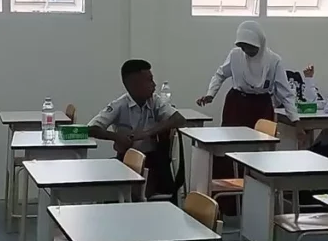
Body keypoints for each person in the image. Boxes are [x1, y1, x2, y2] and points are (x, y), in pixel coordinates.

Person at [197, 22, 299, 209]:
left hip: (261, 107)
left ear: (260, 43)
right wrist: (210, 94)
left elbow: (285, 93)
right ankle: (228, 205)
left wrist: (295, 120)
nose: (247, 51)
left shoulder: (274, 61)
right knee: (228, 153)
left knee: (259, 156)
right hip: (237, 104)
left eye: (251, 47)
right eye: (243, 47)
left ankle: (257, 204)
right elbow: (220, 74)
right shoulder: (235, 55)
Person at [89, 59, 186, 200]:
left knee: (140, 192)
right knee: (113, 189)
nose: (154, 85)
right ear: (134, 85)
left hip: (153, 161)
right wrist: (116, 137)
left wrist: (147, 133)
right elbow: (91, 128)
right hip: (126, 159)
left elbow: (179, 119)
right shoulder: (119, 105)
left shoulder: (155, 101)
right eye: (149, 80)